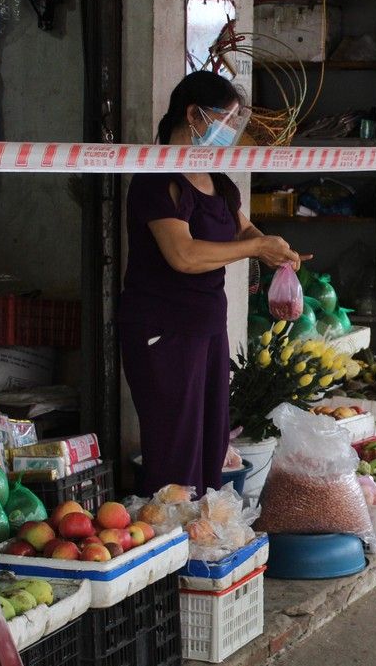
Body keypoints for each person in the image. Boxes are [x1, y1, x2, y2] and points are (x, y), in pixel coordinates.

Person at [118, 71, 309, 497]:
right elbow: (183, 255)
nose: (229, 132)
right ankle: (168, 544)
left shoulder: (217, 181)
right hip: (162, 332)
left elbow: (242, 232)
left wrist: (274, 251)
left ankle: (197, 537)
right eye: (225, 120)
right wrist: (255, 247)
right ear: (193, 115)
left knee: (210, 443)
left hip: (206, 330)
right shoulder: (156, 178)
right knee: (173, 448)